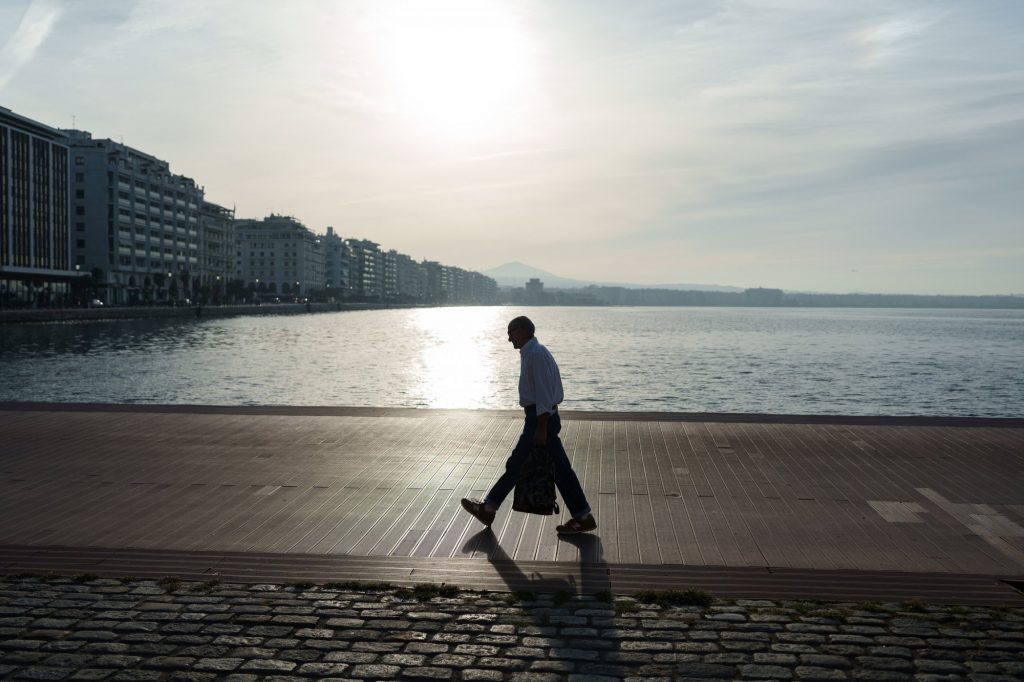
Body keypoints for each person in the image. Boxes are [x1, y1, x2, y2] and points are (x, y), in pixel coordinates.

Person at [461, 316, 597, 535]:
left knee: (517, 465)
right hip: (541, 418)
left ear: (523, 331)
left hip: (540, 419)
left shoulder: (535, 355)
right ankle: (583, 516)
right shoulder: (533, 353)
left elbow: (544, 394)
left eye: (511, 332)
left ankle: (489, 508)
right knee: (560, 470)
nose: (508, 339)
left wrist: (541, 427)